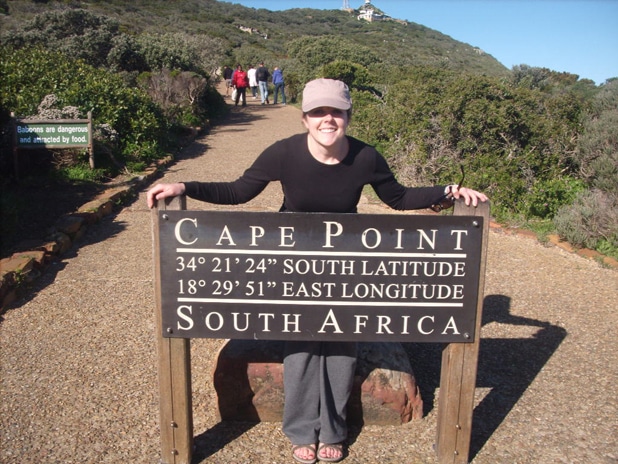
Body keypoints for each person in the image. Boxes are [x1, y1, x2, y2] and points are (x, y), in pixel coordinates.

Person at [147, 78, 488, 464]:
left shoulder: (365, 157)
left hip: (344, 260)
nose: (328, 120)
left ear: (348, 115)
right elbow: (239, 191)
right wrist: (184, 186)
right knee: (303, 344)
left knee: (342, 344)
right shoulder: (284, 153)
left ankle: (333, 430)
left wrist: (448, 191)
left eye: (336, 112)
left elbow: (399, 197)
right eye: (318, 112)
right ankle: (300, 429)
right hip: (293, 259)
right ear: (306, 118)